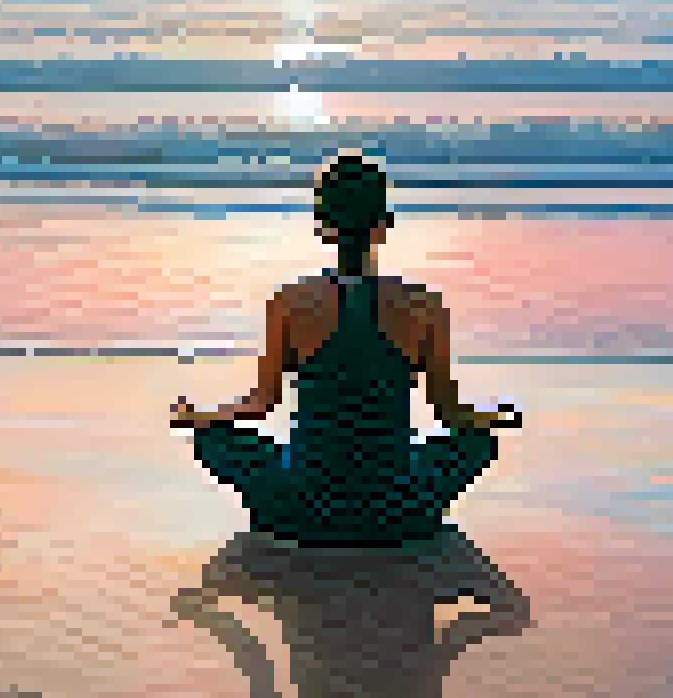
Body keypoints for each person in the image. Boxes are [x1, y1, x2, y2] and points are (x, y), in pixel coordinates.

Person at [172, 150, 519, 547]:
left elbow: (261, 403)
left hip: (302, 505)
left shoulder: (290, 301)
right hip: (398, 507)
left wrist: (202, 416)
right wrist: (494, 418)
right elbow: (448, 411)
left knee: (213, 440)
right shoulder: (423, 305)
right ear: (384, 226)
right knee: (478, 442)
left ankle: (299, 507)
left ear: (323, 227)